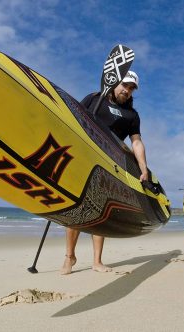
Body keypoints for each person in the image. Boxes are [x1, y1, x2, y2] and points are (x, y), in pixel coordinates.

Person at [61, 70, 148, 275]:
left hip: (108, 165)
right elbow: (74, 117)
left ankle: (97, 261)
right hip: (83, 158)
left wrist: (143, 167)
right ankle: (69, 256)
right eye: (125, 85)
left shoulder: (132, 115)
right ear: (116, 82)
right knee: (76, 208)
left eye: (131, 88)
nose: (127, 90)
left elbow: (136, 141)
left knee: (100, 210)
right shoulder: (94, 98)